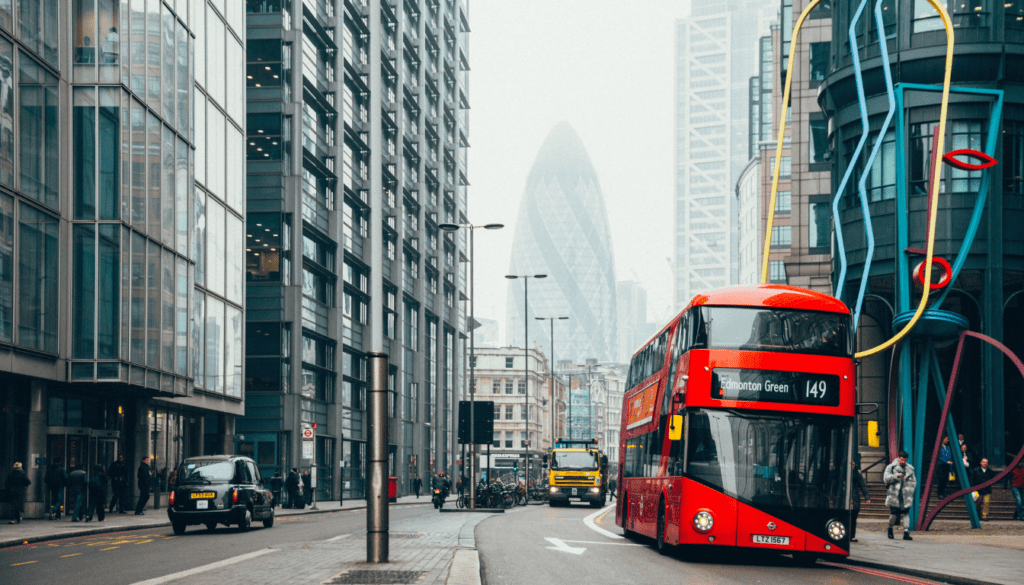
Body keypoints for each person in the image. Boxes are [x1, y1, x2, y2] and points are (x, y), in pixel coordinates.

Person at [884, 451, 916, 541]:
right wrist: (896, 476)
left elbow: (914, 481)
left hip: (906, 495)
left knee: (906, 513)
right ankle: (890, 528)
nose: (903, 461)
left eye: (905, 460)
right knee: (894, 513)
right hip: (895, 495)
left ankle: (906, 532)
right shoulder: (891, 467)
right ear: (899, 458)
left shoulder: (910, 469)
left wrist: (910, 490)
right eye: (902, 459)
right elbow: (885, 479)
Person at [850, 460, 871, 542]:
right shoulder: (842, 473)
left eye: (853, 464)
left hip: (854, 499)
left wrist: (867, 497)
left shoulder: (857, 474)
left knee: (853, 518)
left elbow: (862, 486)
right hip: (844, 499)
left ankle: (852, 536)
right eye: (850, 464)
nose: (852, 466)